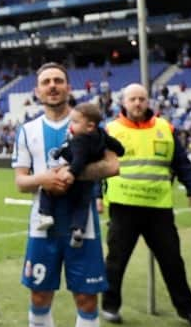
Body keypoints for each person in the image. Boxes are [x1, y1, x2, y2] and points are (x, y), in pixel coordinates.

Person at [12, 62, 119, 327]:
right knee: (40, 294)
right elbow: (21, 181)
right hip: (41, 226)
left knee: (86, 300)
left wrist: (72, 175)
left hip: (82, 224)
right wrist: (46, 178)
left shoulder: (89, 124)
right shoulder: (27, 131)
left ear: (68, 86)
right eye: (46, 82)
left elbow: (112, 165)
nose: (53, 86)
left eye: (58, 80)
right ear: (38, 90)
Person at [101, 83, 191, 327]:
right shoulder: (111, 130)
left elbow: (181, 162)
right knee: (116, 261)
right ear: (124, 102)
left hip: (158, 209)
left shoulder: (165, 128)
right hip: (123, 207)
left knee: (173, 261)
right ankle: (110, 306)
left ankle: (189, 311)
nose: (137, 103)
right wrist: (98, 194)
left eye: (141, 98)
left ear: (148, 101)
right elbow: (99, 165)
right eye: (133, 99)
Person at [36, 102, 125, 248]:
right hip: (88, 180)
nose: (71, 124)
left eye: (75, 122)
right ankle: (78, 230)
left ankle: (45, 215)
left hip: (71, 169)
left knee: (47, 187)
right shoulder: (101, 133)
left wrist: (71, 173)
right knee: (82, 204)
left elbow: (78, 159)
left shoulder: (79, 140)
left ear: (89, 126)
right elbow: (115, 144)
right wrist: (121, 150)